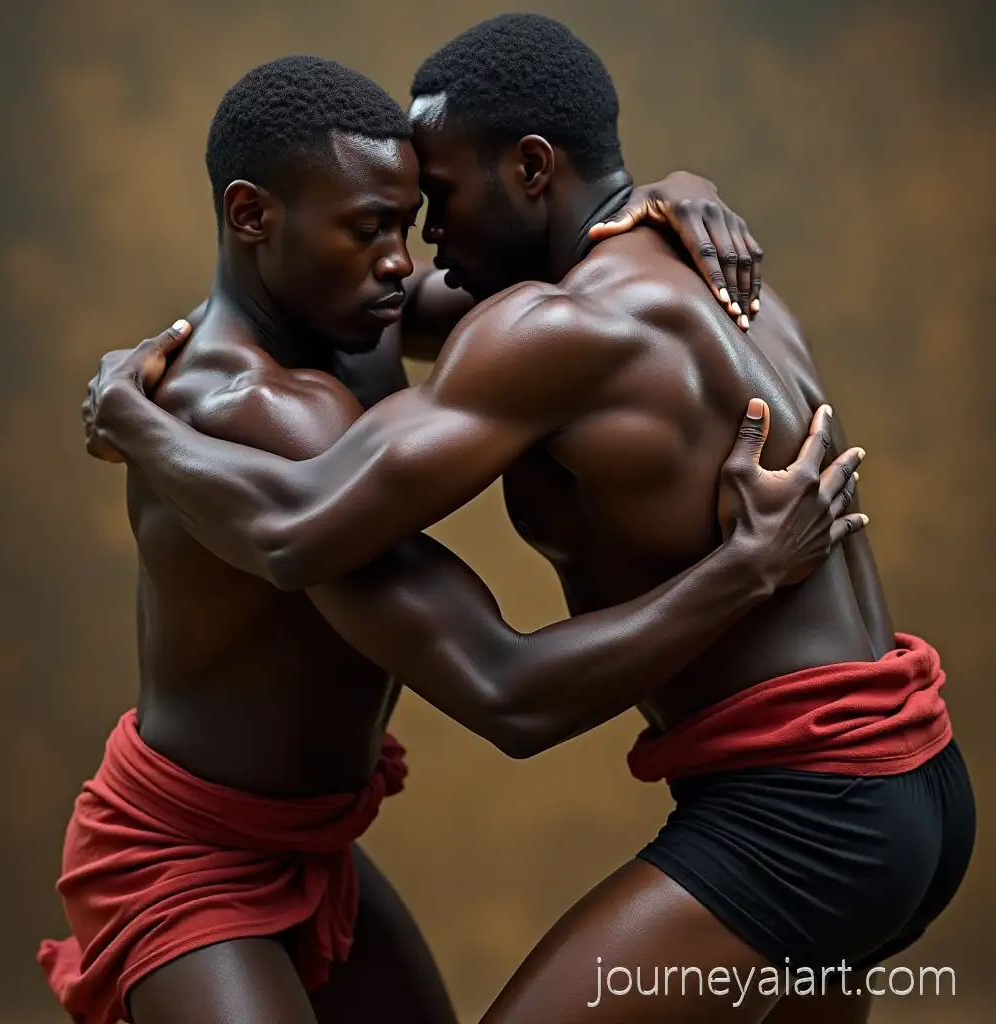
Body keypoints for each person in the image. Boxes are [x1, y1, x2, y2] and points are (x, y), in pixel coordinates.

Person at [78, 16, 977, 1023]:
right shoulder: (711, 277)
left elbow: (317, 550)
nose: (419, 254)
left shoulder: (536, 325)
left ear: (532, 168)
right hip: (918, 786)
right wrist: (685, 188)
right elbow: (359, 412)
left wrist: (129, 418)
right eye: (379, 225)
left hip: (808, 816)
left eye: (437, 202)